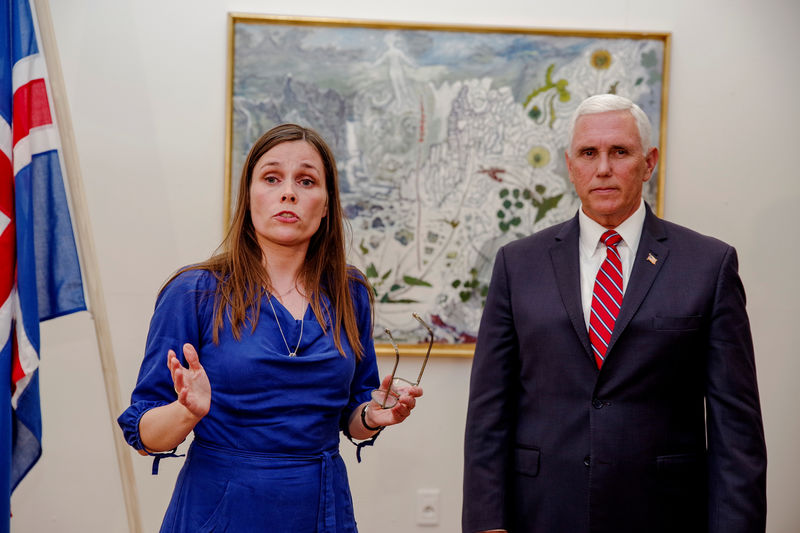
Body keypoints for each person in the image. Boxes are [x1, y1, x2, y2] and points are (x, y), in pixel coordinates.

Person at [462, 94, 766, 533]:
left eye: (619, 152)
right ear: (571, 165)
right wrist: (487, 522)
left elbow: (736, 429)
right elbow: (489, 412)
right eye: (589, 153)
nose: (602, 167)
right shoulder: (517, 264)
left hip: (664, 514)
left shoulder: (708, 265)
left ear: (648, 162)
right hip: (542, 512)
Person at [118, 124, 422, 532]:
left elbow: (353, 412)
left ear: (327, 203)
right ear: (249, 195)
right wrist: (186, 412)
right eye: (272, 178)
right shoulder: (193, 292)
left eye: (307, 180)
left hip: (321, 509)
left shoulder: (351, 292)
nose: (289, 193)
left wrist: (373, 414)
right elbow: (145, 434)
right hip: (220, 509)